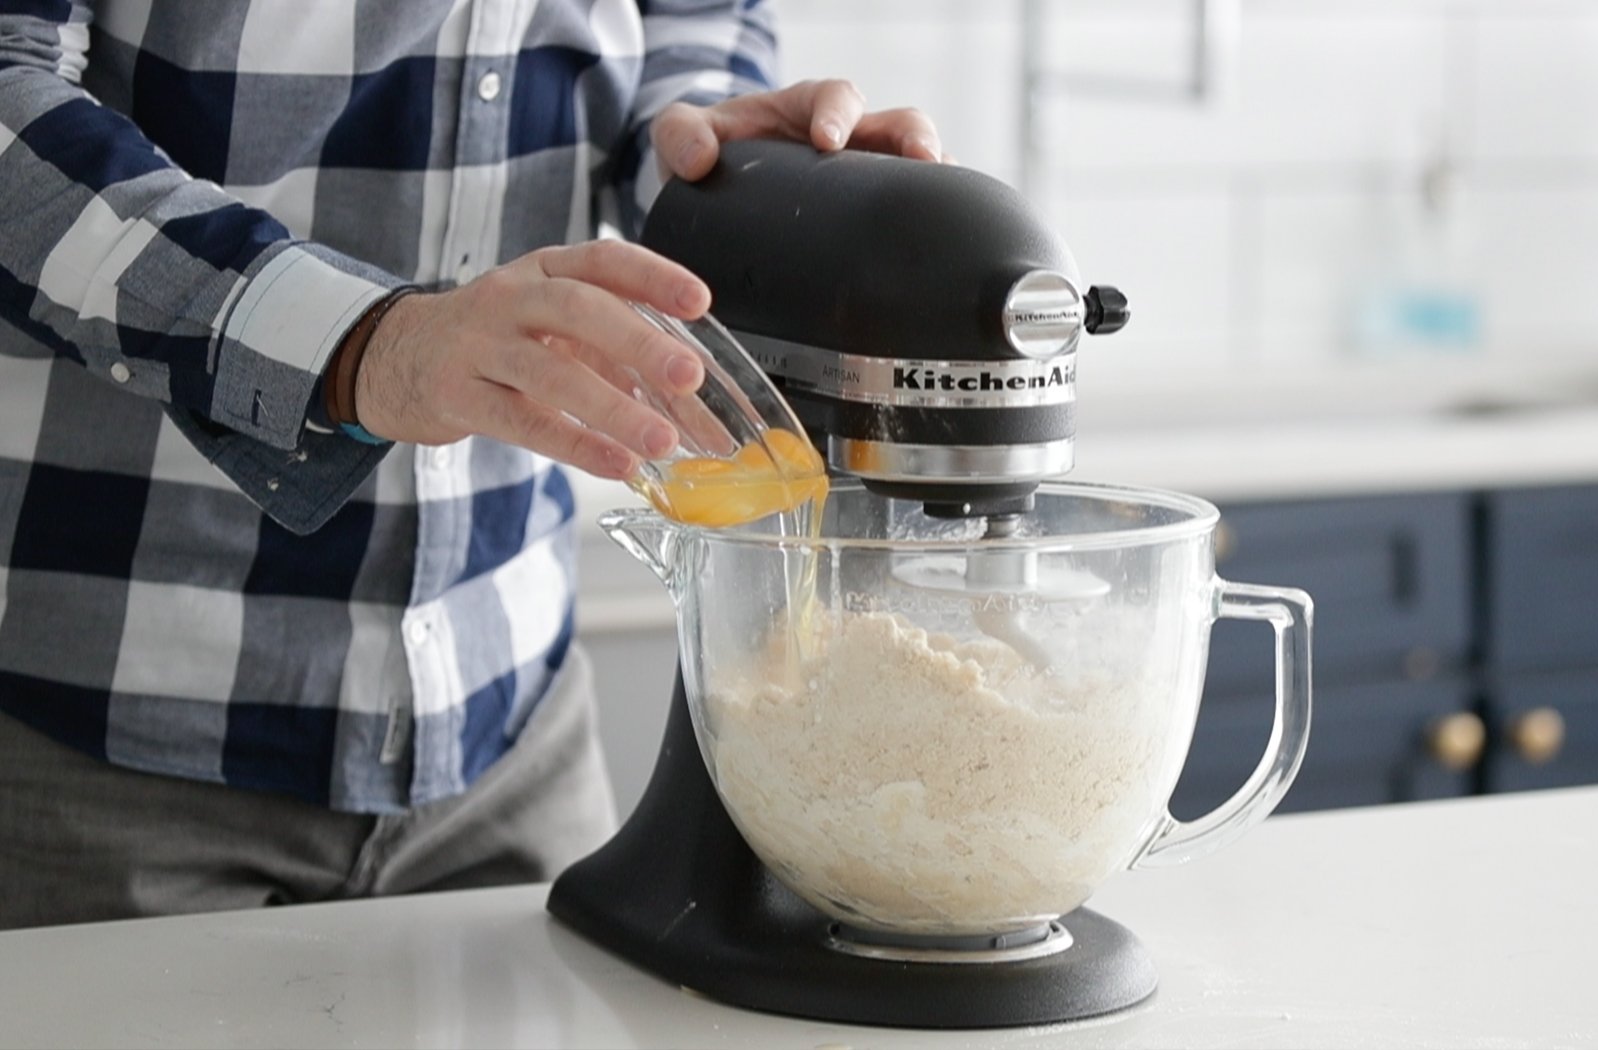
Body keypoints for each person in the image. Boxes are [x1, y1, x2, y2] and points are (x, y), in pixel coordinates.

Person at [0, 0, 943, 929]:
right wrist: (366, 345)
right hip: (104, 736)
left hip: (513, 735)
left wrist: (722, 175)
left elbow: (694, 21)